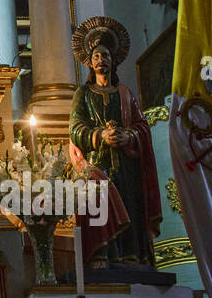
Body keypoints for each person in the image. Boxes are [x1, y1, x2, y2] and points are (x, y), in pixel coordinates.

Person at [68, 16, 162, 267]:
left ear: (113, 61)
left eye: (106, 56)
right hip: (98, 164)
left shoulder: (125, 94)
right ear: (90, 62)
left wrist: (127, 135)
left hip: (126, 164)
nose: (101, 61)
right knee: (100, 204)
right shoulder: (83, 94)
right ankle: (102, 254)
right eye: (97, 56)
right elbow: (75, 128)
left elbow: (142, 126)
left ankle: (134, 258)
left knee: (131, 205)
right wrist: (100, 136)